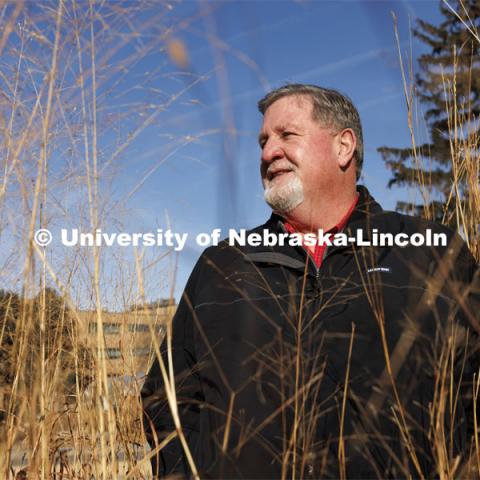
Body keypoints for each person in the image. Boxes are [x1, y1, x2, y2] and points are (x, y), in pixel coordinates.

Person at [141, 84, 479, 479]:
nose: (268, 153)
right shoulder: (223, 265)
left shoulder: (431, 252)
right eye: (263, 141)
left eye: (287, 135)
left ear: (343, 146)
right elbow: (166, 398)